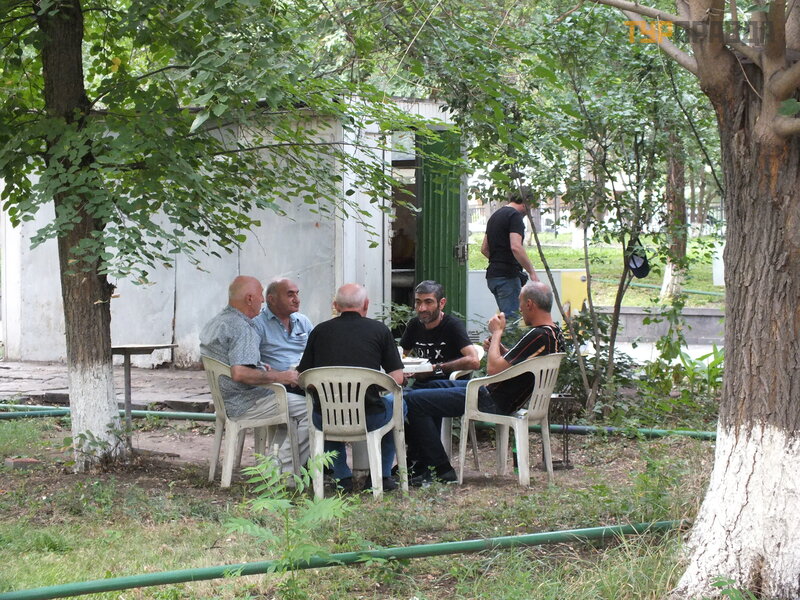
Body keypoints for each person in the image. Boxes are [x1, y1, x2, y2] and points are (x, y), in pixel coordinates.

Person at [403, 281, 565, 485]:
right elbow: (518, 364)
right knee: (428, 388)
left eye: (520, 303)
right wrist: (501, 349)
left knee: (414, 401)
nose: (519, 308)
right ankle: (419, 463)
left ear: (530, 304)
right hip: (495, 393)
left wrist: (497, 333)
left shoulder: (538, 335)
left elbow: (493, 369)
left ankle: (441, 469)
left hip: (493, 399)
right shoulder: (553, 333)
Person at [297, 283, 405, 493]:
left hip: (325, 419)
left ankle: (341, 476)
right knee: (400, 405)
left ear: (336, 306)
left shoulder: (319, 331)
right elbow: (397, 378)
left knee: (326, 408)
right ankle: (381, 475)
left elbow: (303, 377)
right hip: (370, 417)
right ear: (366, 304)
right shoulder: (379, 330)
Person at [199, 275, 310, 474]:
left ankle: (276, 463)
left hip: (226, 400)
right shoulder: (244, 327)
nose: (262, 300)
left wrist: (259, 367)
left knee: (294, 409)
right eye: (260, 295)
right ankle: (280, 472)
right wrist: (281, 376)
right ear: (250, 299)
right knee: (313, 410)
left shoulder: (217, 321)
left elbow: (229, 362)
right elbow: (240, 373)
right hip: (247, 401)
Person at [400, 280, 479, 385]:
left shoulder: (453, 325)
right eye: (418, 302)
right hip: (421, 386)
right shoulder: (414, 325)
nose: (421, 308)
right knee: (393, 395)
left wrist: (434, 369)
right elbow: (400, 356)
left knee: (406, 395)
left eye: (428, 302)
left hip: (450, 386)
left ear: (441, 303)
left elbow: (473, 361)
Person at [481, 188, 540, 321]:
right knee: (512, 322)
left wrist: (498, 261)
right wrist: (532, 272)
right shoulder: (514, 216)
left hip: (493, 276)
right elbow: (516, 247)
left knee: (505, 319)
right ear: (526, 202)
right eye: (530, 206)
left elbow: (484, 249)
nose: (530, 211)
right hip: (507, 278)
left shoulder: (495, 216)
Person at [254, 278, 313, 374]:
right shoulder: (257, 324)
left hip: (305, 378)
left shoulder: (303, 321)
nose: (297, 300)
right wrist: (281, 377)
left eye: (297, 294)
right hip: (275, 381)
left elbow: (318, 351)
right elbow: (251, 367)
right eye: (290, 295)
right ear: (272, 299)